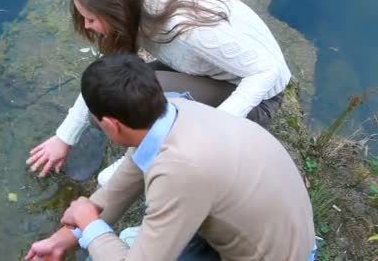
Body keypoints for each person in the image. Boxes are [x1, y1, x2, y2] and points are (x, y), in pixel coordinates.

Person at [25, 54, 316, 261]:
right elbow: (121, 187)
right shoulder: (173, 110)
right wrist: (63, 240)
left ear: (112, 125)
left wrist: (89, 227)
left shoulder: (180, 170)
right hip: (262, 230)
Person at [27, 0, 292, 177]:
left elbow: (267, 70)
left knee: (142, 96)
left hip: (261, 100)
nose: (86, 26)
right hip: (209, 72)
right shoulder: (141, 8)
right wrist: (64, 138)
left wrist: (214, 126)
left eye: (91, 19)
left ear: (115, 11)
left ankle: (147, 157)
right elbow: (104, 74)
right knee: (110, 97)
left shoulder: (188, 30)